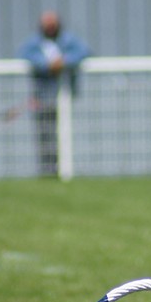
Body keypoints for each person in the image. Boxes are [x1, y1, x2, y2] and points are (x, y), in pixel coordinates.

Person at [17, 10, 91, 177]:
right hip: (42, 97)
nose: (50, 27)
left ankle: (65, 169)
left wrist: (64, 61)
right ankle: (48, 171)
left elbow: (84, 51)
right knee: (45, 135)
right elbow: (25, 55)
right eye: (46, 24)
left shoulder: (68, 40)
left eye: (52, 24)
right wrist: (47, 64)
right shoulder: (35, 43)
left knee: (64, 134)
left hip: (65, 96)